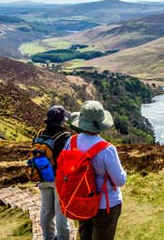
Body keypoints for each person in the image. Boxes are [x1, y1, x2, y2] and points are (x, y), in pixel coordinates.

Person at [65, 100, 127, 240]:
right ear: (100, 124)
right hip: (106, 204)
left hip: (82, 199)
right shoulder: (107, 149)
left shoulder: (71, 142)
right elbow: (120, 180)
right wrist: (125, 173)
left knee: (85, 235)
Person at [38, 105, 73, 240]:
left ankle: (48, 237)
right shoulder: (65, 136)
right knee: (61, 212)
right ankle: (63, 238)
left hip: (42, 175)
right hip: (58, 178)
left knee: (46, 210)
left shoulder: (40, 133)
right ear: (61, 120)